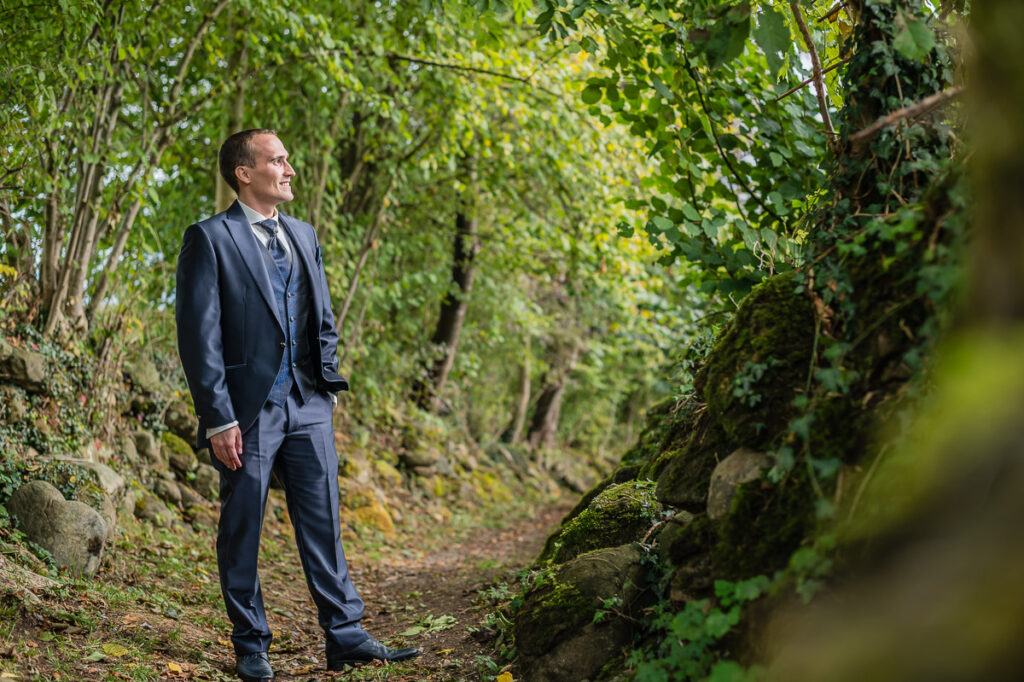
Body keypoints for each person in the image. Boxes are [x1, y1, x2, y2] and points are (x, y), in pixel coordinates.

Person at [175, 129, 419, 681]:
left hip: (308, 403)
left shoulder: (305, 235)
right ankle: (251, 644)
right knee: (243, 527)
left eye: (287, 158)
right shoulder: (210, 238)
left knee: (324, 521)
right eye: (277, 160)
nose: (289, 169)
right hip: (247, 412)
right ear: (245, 172)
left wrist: (326, 386)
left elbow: (322, 319)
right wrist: (219, 416)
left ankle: (346, 635)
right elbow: (198, 336)